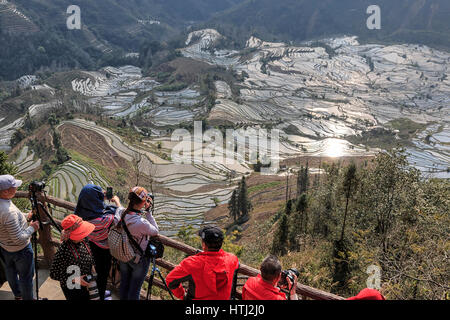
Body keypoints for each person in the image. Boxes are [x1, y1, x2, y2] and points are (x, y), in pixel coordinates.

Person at [166, 226, 240, 300]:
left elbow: (170, 280)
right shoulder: (232, 259)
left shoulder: (191, 263)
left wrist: (182, 295)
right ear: (221, 244)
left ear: (204, 245)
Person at [74, 184, 121, 300]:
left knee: (93, 272)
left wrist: (100, 197)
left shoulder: (79, 215)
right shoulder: (104, 219)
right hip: (103, 251)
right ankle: (99, 295)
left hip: (90, 246)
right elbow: (121, 216)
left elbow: (93, 204)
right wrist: (117, 202)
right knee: (102, 275)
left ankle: (98, 291)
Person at [115, 186, 158, 300]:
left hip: (124, 254)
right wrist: (148, 212)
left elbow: (119, 208)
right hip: (138, 259)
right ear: (143, 203)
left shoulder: (121, 213)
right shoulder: (141, 223)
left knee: (124, 283)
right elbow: (155, 230)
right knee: (135, 290)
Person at [0, 175, 39, 300]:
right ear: (5, 191)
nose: (16, 187)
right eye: (14, 186)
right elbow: (18, 238)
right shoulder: (8, 211)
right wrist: (33, 227)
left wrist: (25, 216)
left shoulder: (3, 203)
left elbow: (9, 220)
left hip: (5, 247)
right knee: (26, 277)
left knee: (10, 271)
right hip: (20, 250)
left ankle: (18, 295)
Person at [49, 214, 96, 300]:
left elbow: (89, 254)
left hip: (85, 283)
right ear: (71, 234)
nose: (84, 234)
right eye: (81, 232)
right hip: (72, 288)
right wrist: (75, 279)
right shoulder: (64, 249)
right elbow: (54, 274)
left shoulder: (84, 240)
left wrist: (92, 267)